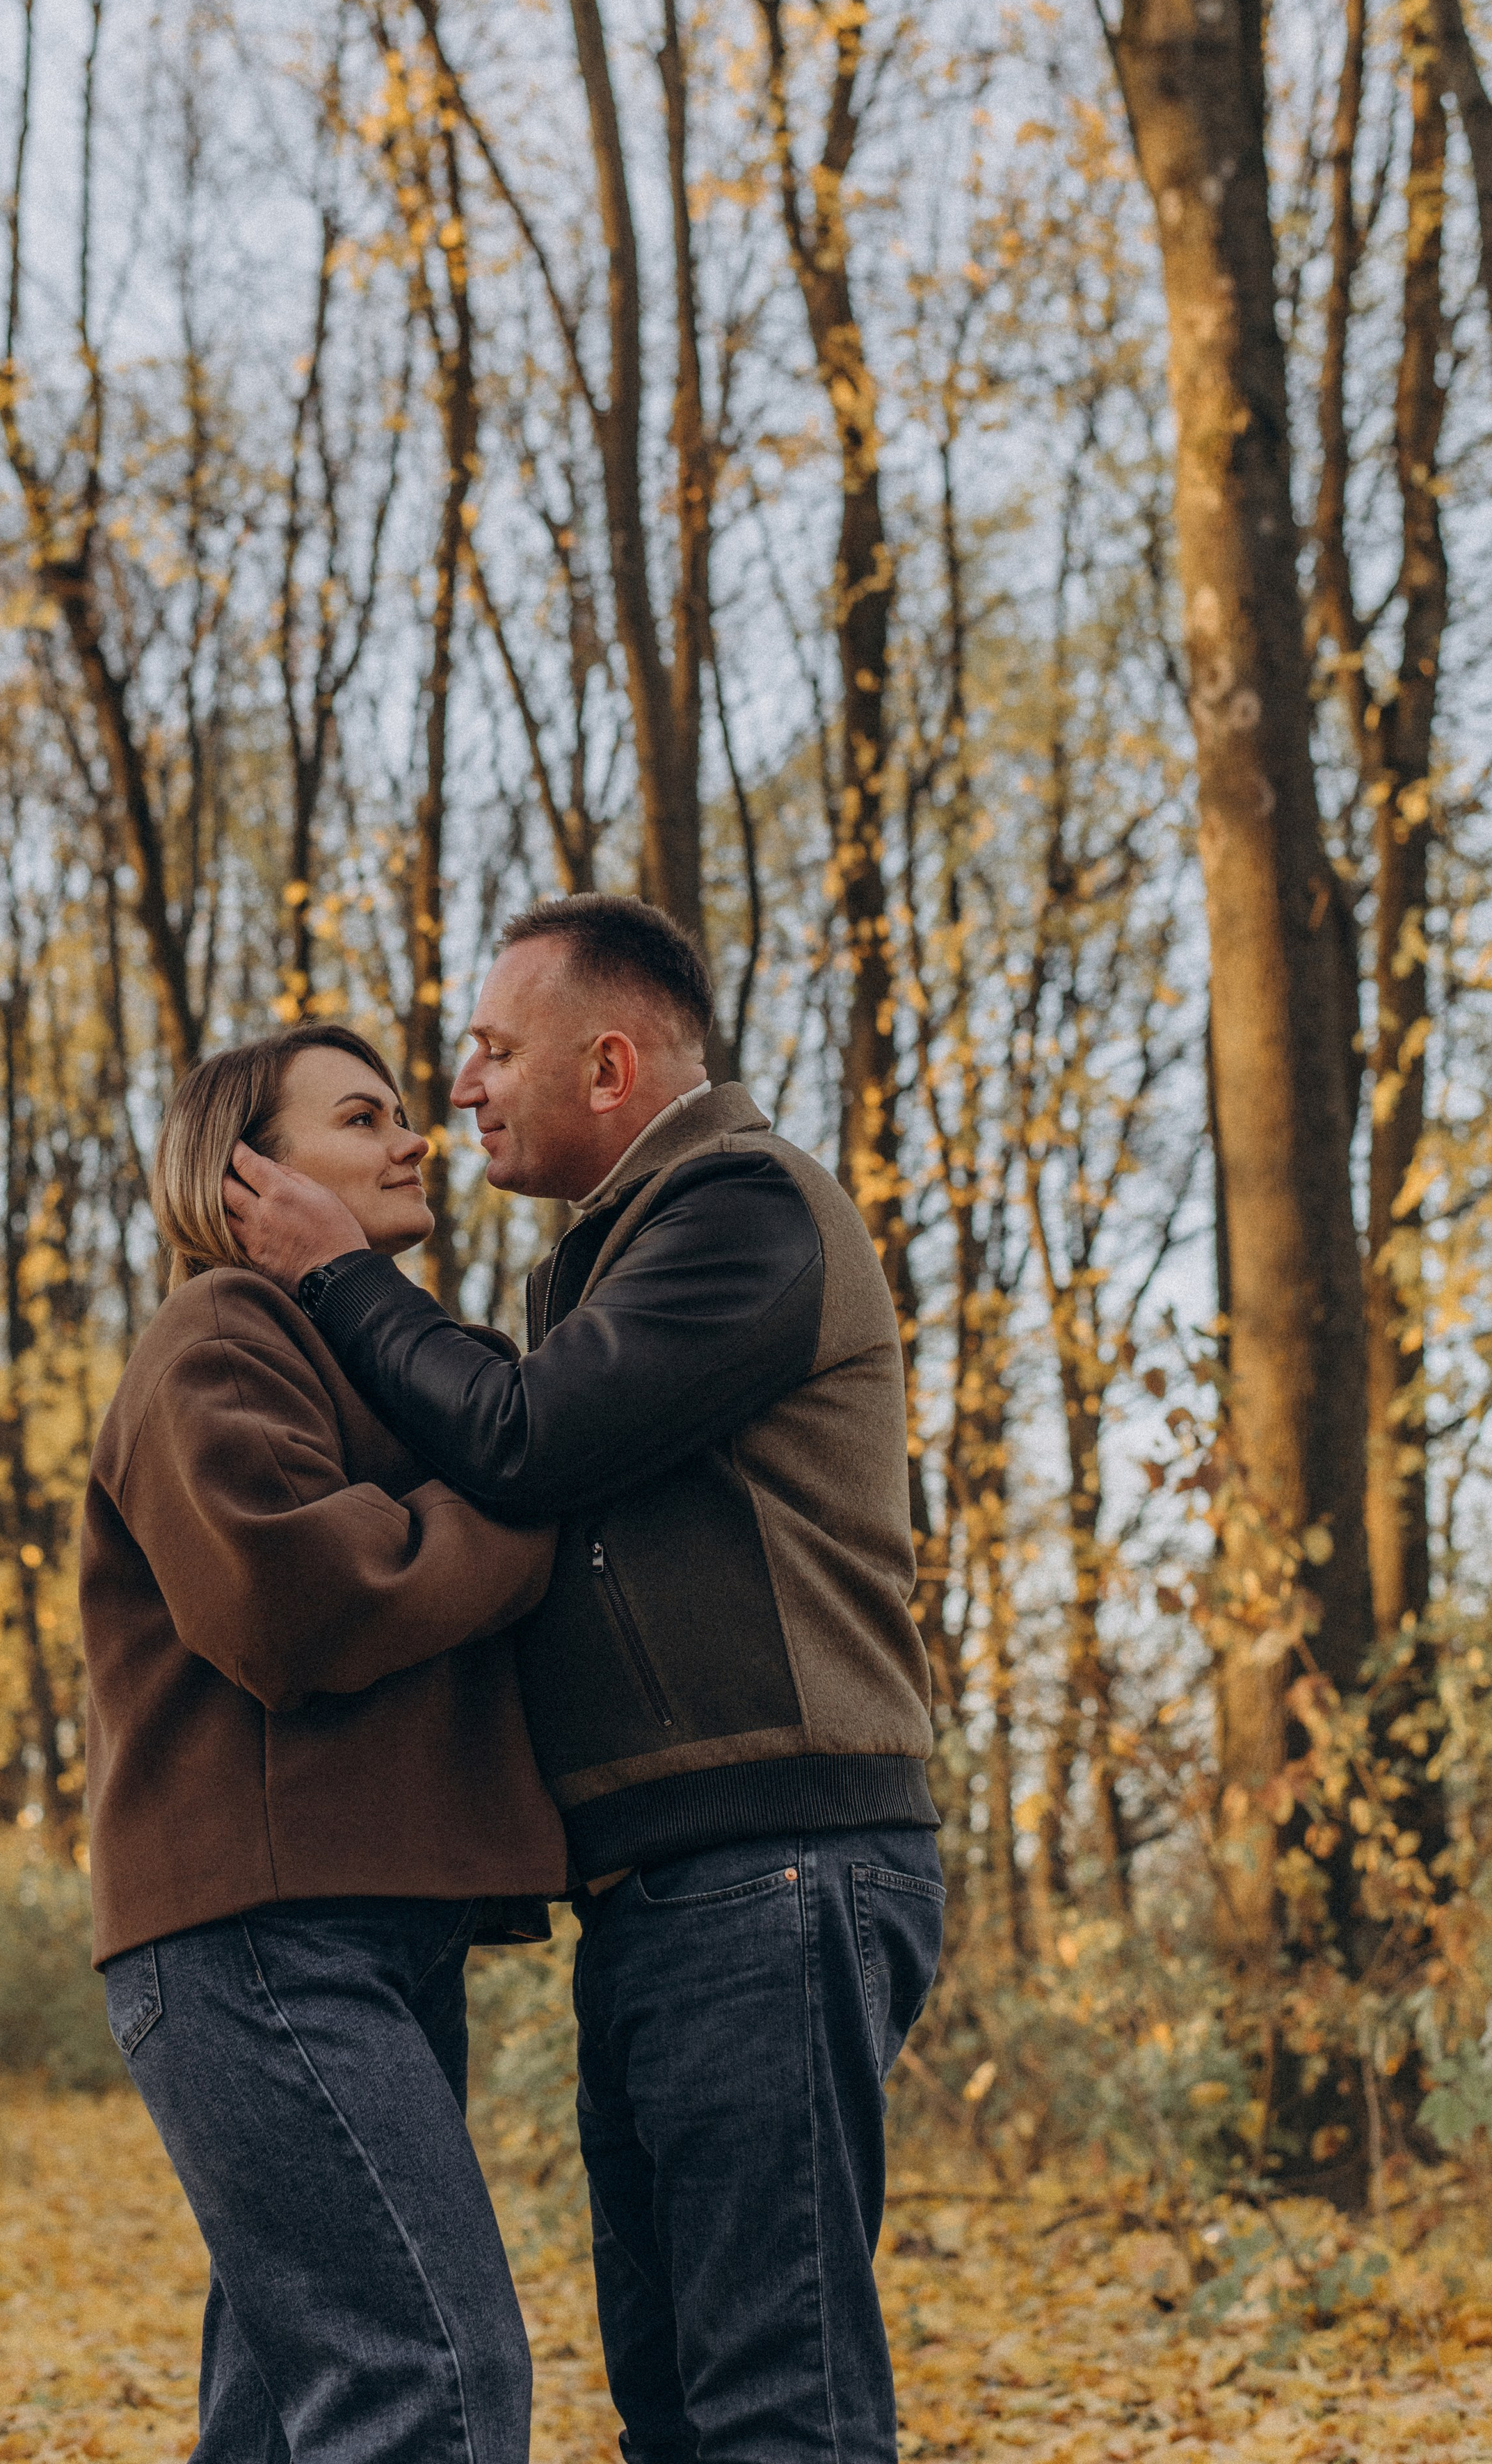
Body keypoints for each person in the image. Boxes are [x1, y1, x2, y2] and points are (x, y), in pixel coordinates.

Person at [226, 896, 943, 2464]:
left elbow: (528, 1437)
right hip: (673, 1888)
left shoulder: (744, 1212)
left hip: (776, 1861)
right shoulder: (604, 1270)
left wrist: (345, 1274)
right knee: (678, 2403)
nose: (461, 1086)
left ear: (608, 1063)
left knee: (772, 2401)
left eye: (490, 1051)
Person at [81, 1020, 567, 2464]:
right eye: (364, 1117)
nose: (413, 1135)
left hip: (357, 1929)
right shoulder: (220, 1335)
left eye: (409, 1112)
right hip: (262, 1936)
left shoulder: (368, 1357)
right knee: (432, 2380)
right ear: (244, 1175)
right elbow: (290, 1600)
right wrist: (512, 1520)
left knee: (294, 2419)